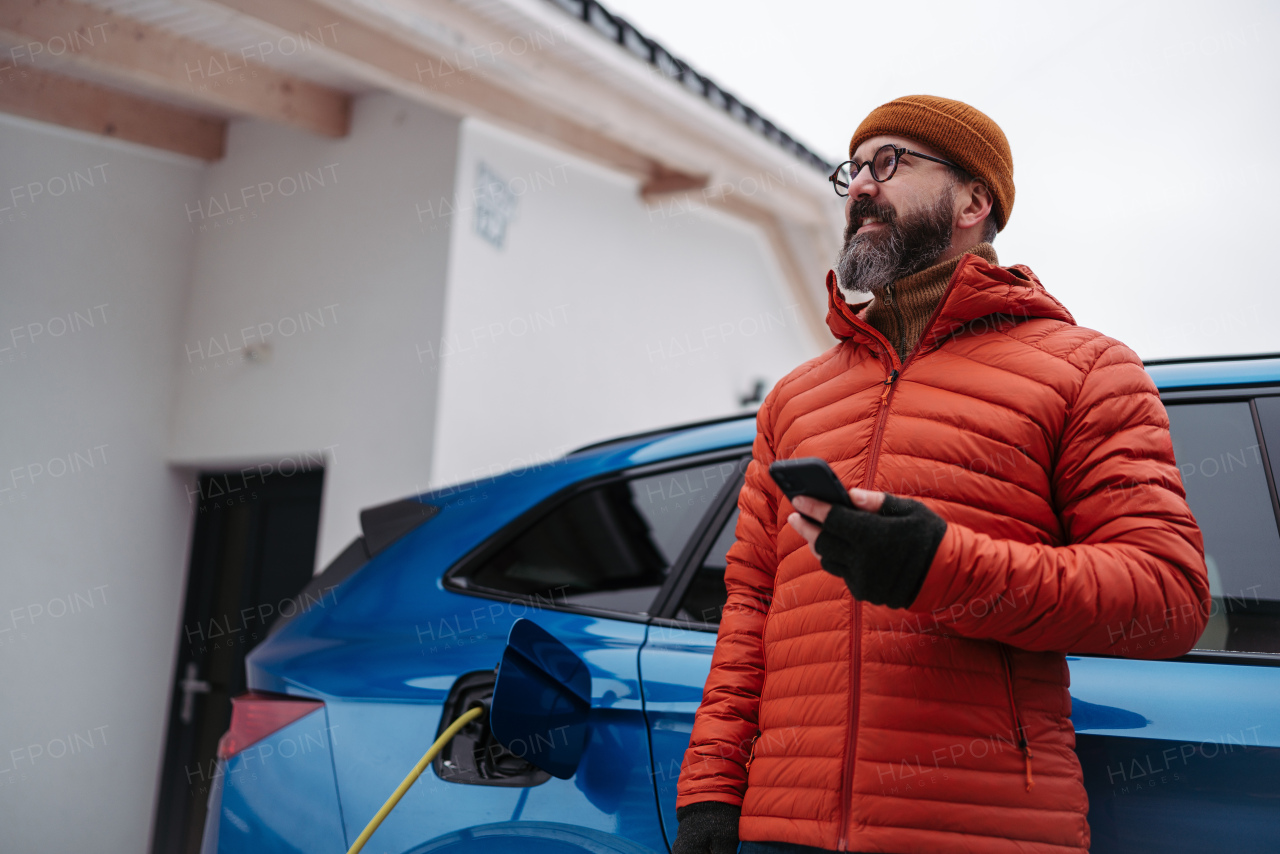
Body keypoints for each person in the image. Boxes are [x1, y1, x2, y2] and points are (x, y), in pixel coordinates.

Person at [671, 95, 1210, 854]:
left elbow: (1169, 598)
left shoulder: (1087, 372)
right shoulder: (795, 399)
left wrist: (944, 568)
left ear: (974, 199)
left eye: (888, 163)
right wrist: (710, 794)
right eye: (852, 170)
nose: (861, 185)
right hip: (785, 832)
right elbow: (750, 609)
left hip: (982, 831)